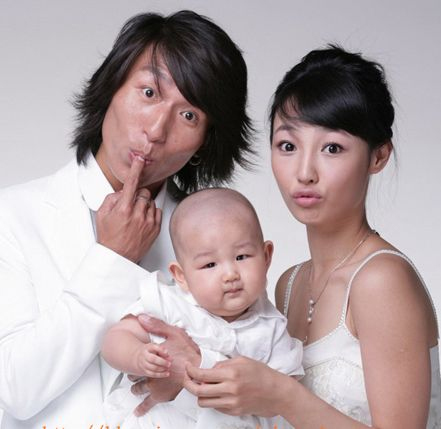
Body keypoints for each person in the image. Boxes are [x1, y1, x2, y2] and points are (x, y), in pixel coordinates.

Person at [0, 10, 254, 429]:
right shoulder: (12, 216)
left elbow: (252, 391)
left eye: (189, 115)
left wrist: (195, 370)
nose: (156, 130)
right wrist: (111, 259)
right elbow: (14, 390)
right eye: (149, 92)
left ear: (205, 143)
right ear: (112, 87)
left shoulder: (218, 237)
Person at [170, 46, 440, 428]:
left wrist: (283, 395)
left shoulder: (381, 281)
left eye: (332, 148)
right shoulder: (289, 283)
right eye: (288, 146)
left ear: (378, 156)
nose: (304, 172)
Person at [101, 188, 303, 429]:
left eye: (241, 257)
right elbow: (116, 337)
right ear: (181, 276)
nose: (230, 274)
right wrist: (136, 355)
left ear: (266, 256)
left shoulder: (272, 328)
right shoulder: (171, 304)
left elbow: (284, 398)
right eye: (210, 264)